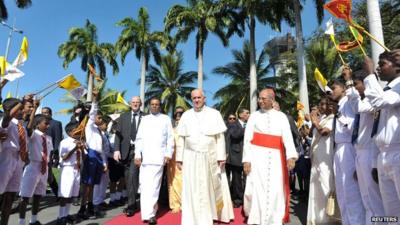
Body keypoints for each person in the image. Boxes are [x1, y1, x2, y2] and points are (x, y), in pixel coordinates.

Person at [176, 89, 234, 225]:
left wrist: (221, 156)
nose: (196, 100)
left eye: (199, 97)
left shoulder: (215, 114)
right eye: (194, 98)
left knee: (212, 187)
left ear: (204, 98)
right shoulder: (186, 115)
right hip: (191, 157)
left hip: (211, 156)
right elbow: (181, 140)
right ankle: (193, 218)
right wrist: (179, 158)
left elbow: (220, 138)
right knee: (192, 188)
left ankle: (213, 214)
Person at [242, 88, 297, 225]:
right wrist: (246, 160)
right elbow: (247, 139)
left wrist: (290, 156)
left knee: (275, 189)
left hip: (276, 158)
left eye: (263, 98)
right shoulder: (254, 116)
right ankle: (256, 218)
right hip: (257, 157)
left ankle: (274, 219)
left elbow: (288, 137)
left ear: (272, 100)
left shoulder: (281, 116)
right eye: (259, 98)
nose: (260, 101)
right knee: (255, 188)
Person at [344, 69, 385, 224]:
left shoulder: (372, 101)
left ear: (366, 82)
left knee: (375, 199)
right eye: (353, 84)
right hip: (360, 154)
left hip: (371, 153)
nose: (355, 88)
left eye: (356, 84)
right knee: (366, 198)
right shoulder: (363, 100)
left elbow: (357, 108)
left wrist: (348, 81)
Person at [363, 51, 400, 218]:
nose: (378, 67)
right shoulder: (387, 90)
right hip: (384, 155)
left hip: (398, 153)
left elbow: (378, 101)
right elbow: (377, 132)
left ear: (397, 67)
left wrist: (370, 74)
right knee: (392, 213)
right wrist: (375, 163)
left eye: (383, 63)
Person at [330, 76, 365, 225]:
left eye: (334, 88)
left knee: (351, 192)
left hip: (348, 148)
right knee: (342, 192)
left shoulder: (349, 103)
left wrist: (339, 117)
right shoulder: (340, 105)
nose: (331, 91)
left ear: (344, 88)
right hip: (339, 149)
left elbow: (353, 128)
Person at [134, 98, 174, 224]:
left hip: (158, 158)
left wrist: (168, 153)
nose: (155, 106)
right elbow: (139, 138)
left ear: (160, 106)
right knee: (145, 187)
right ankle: (149, 212)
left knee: (154, 187)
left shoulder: (166, 119)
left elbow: (170, 138)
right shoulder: (144, 119)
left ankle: (150, 214)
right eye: (152, 104)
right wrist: (137, 154)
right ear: (149, 106)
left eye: (157, 105)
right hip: (145, 159)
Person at [306, 98, 340, 225]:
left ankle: (328, 219)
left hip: (326, 157)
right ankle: (316, 218)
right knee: (316, 187)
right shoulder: (322, 118)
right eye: (319, 104)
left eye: (322, 104)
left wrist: (315, 121)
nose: (319, 107)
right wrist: (313, 121)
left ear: (329, 105)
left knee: (326, 185)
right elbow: (310, 134)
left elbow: (324, 132)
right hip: (316, 158)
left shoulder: (333, 118)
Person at [19, 111, 54, 225]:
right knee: (25, 196)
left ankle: (33, 220)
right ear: (37, 124)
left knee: (38, 195)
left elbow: (49, 155)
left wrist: (50, 172)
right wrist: (34, 110)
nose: (48, 126)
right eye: (45, 123)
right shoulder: (33, 134)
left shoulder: (48, 138)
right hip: (33, 166)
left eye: (48, 123)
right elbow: (28, 129)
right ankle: (21, 222)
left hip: (44, 168)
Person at [78, 91, 107, 219]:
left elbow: (102, 149)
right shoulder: (89, 125)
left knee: (93, 184)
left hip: (98, 157)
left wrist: (104, 162)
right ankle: (83, 208)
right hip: (91, 155)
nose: (100, 118)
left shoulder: (98, 130)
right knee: (87, 184)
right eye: (98, 117)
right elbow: (93, 112)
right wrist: (95, 98)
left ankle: (90, 206)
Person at [113, 96, 144, 216]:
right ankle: (133, 202)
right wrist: (116, 150)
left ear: (140, 104)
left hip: (139, 152)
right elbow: (118, 135)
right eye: (133, 102)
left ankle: (131, 206)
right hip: (125, 151)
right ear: (130, 104)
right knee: (129, 178)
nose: (135, 104)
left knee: (132, 176)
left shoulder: (146, 117)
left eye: (137, 102)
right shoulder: (123, 116)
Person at [0, 98, 27, 225]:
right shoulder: (6, 122)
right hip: (6, 159)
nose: (22, 110)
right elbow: (6, 119)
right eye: (19, 108)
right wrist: (22, 101)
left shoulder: (20, 125)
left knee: (10, 195)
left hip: (18, 160)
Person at [56, 122, 83, 225]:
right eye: (77, 129)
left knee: (72, 194)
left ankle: (66, 215)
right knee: (65, 194)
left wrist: (82, 148)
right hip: (68, 169)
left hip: (77, 169)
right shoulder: (65, 142)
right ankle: (61, 216)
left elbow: (84, 156)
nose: (79, 131)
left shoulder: (80, 141)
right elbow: (64, 157)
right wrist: (75, 148)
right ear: (70, 132)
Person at [225, 108, 249, 208]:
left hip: (247, 154)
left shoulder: (249, 124)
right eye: (246, 113)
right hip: (236, 155)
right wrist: (246, 128)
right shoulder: (233, 124)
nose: (248, 114)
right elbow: (235, 135)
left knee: (247, 178)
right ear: (240, 114)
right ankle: (237, 199)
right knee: (237, 179)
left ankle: (245, 197)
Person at [42, 106, 63, 198]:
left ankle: (58, 193)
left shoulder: (56, 123)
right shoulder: (38, 123)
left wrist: (55, 153)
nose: (44, 114)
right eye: (43, 112)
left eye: (46, 112)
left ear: (50, 113)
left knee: (49, 173)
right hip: (39, 151)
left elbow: (57, 139)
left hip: (50, 152)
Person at [167, 109, 184, 213]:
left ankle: (184, 203)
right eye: (176, 117)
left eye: (180, 117)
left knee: (182, 181)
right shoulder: (171, 130)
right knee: (172, 181)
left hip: (184, 159)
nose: (178, 119)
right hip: (172, 160)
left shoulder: (187, 131)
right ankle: (175, 204)